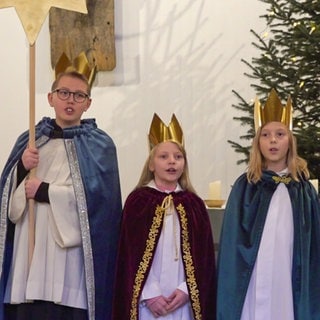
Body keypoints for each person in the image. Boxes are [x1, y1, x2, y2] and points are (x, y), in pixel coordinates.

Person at [0, 70, 122, 320]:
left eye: (79, 95)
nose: (70, 100)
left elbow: (102, 207)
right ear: (50, 98)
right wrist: (21, 166)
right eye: (63, 93)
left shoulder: (100, 146)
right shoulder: (31, 139)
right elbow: (5, 201)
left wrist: (45, 191)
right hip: (28, 252)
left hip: (69, 258)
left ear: (88, 103)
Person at [216, 88, 320, 320]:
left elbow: (313, 246)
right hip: (252, 279)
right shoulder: (246, 186)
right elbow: (233, 246)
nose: (273, 140)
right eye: (266, 135)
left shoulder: (303, 190)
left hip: (289, 274)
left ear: (290, 141)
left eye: (280, 134)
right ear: (258, 142)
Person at [112, 113, 216, 320]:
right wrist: (149, 294)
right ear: (151, 164)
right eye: (164, 157)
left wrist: (187, 289)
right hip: (147, 302)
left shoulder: (194, 204)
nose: (172, 162)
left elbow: (204, 257)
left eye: (178, 157)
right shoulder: (138, 202)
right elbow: (130, 255)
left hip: (183, 301)